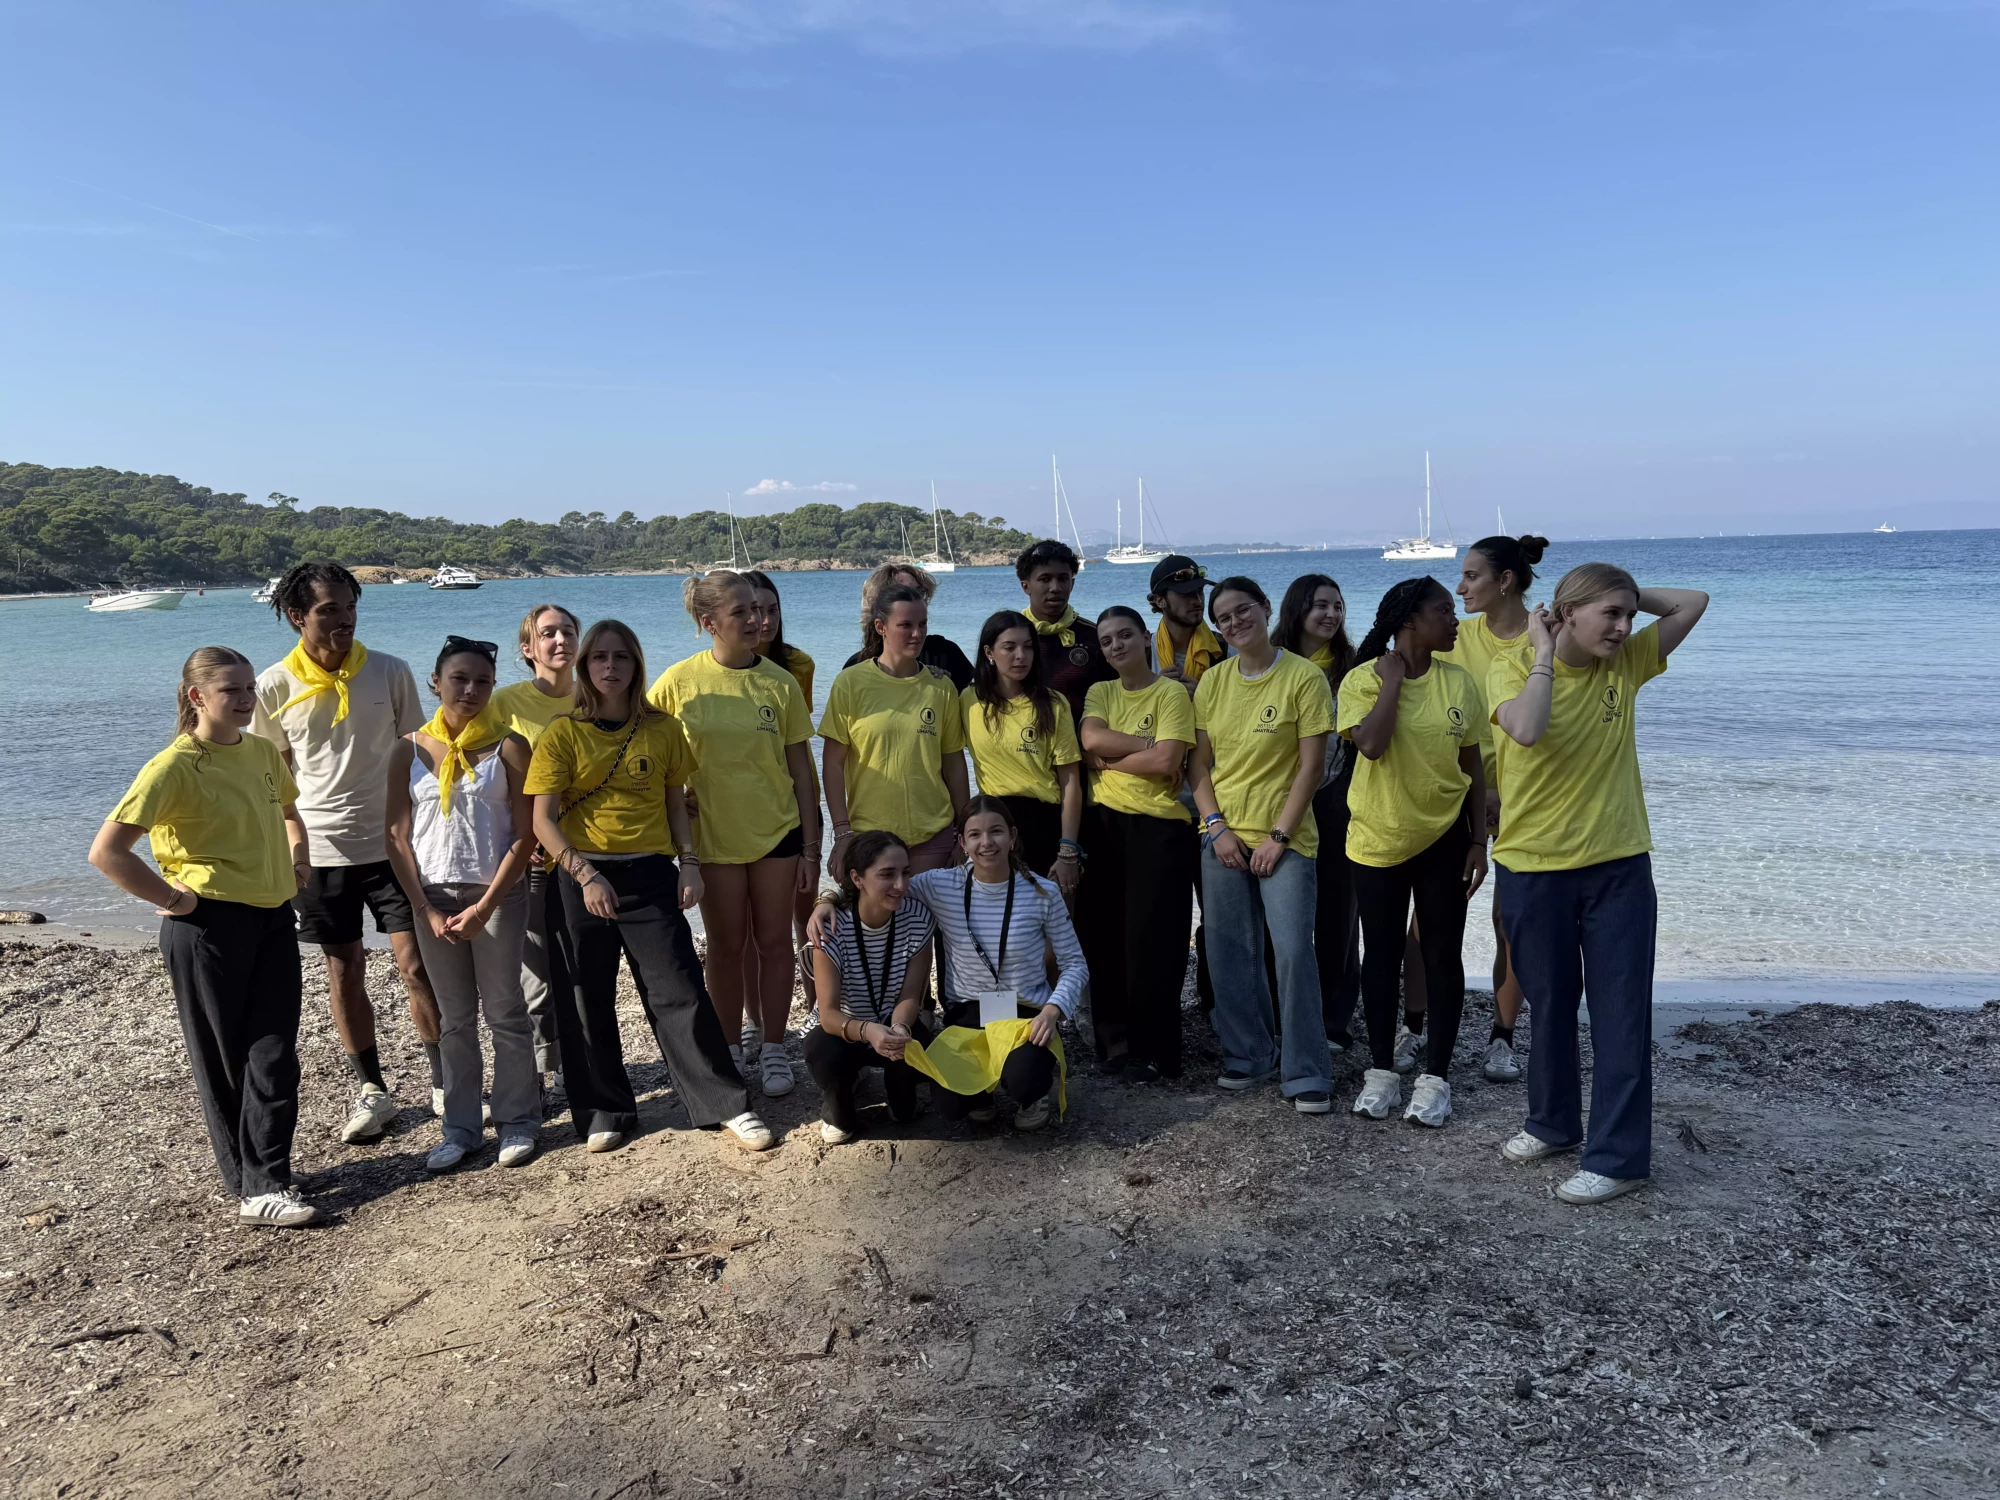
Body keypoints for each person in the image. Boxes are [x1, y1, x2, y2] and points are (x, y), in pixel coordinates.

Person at [1491, 565, 1708, 1205]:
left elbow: (1694, 602)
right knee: (1551, 1004)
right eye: (1609, 614)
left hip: (1618, 867)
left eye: (1629, 615)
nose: (1623, 626)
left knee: (1621, 1012)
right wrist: (1543, 652)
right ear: (1567, 613)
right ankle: (1552, 1125)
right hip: (1532, 865)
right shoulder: (1512, 665)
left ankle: (1617, 1159)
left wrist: (1629, 594)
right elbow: (1526, 729)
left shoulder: (1628, 662)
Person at [524, 618, 774, 1155]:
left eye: (621, 657)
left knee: (679, 988)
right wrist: (585, 874)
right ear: (585, 667)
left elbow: (675, 804)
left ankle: (725, 1103)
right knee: (585, 996)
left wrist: (690, 864)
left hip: (650, 872)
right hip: (580, 878)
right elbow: (542, 821)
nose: (610, 666)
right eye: (599, 657)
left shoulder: (662, 729)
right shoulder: (562, 733)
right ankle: (605, 1111)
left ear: (637, 666)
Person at [90, 648, 319, 1227]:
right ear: (197, 696)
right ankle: (256, 1187)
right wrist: (174, 899)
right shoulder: (173, 766)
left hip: (273, 919)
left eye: (250, 688)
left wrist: (299, 858)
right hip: (207, 927)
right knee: (224, 1059)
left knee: (274, 1054)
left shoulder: (261, 751)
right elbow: (108, 853)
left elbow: (289, 814)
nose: (246, 699)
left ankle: (267, 1176)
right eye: (231, 691)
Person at [251, 562, 441, 1145]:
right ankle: (373, 1090)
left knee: (416, 964)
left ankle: (445, 1081)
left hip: (394, 847)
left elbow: (421, 752)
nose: (344, 620)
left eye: (350, 607)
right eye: (329, 610)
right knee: (343, 970)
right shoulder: (273, 685)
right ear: (296, 616)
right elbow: (269, 778)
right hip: (320, 853)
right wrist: (280, 851)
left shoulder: (389, 670)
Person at [812, 797, 1085, 1130]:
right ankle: (981, 1095)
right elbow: (879, 886)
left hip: (1026, 1016)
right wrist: (827, 899)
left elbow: (1075, 964)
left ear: (1012, 836)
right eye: (975, 834)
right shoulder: (941, 885)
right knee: (949, 1105)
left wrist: (1053, 1010)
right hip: (967, 1015)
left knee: (1025, 1078)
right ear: (962, 842)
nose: (986, 842)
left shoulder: (1043, 893)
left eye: (996, 831)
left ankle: (1032, 1093)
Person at [649, 573, 819, 1099]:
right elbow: (644, 746)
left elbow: (802, 771)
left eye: (758, 609)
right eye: (740, 611)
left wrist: (812, 847)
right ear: (709, 623)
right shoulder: (678, 681)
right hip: (713, 838)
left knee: (774, 943)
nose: (756, 619)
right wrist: (669, 797)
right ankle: (728, 1049)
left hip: (776, 832)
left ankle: (774, 1046)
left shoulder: (780, 682)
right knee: (726, 947)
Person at [384, 637, 542, 1172]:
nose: (470, 690)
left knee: (505, 1011)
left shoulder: (510, 747)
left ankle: (518, 1121)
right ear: (436, 682)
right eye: (459, 679)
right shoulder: (407, 750)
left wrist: (486, 905)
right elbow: (396, 836)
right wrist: (423, 909)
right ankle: (460, 1129)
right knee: (454, 1019)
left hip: (495, 896)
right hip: (432, 898)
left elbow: (525, 835)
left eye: (482, 681)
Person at [1337, 578, 1488, 1128]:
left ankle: (1436, 1079)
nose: (1454, 620)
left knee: (1443, 957)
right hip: (1377, 837)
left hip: (1446, 838)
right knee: (1381, 957)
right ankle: (1381, 1071)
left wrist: (1478, 840)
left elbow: (1472, 767)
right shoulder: (1361, 679)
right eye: (1443, 611)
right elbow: (1372, 745)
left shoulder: (1459, 682)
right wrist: (1392, 683)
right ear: (1409, 620)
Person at [1188, 577, 1336, 1112]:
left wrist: (1278, 836)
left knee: (1293, 951)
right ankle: (1249, 1055)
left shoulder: (1304, 676)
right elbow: (1198, 765)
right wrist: (1216, 827)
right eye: (1223, 618)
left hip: (1287, 839)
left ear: (1266, 608)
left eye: (1243, 609)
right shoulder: (1213, 682)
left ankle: (1307, 1070)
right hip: (1223, 835)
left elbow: (1312, 767)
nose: (1235, 622)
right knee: (1230, 951)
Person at [1442, 535, 1547, 1083]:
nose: (1460, 588)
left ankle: (1502, 1040)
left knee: (1511, 919)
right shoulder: (1455, 637)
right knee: (1434, 915)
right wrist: (1474, 792)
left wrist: (1508, 796)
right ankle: (1416, 1029)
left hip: (1530, 803)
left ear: (1505, 580)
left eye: (1471, 576)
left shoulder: (1546, 638)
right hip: (1461, 796)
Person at [1077, 605, 1197, 1079]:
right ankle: (1116, 1044)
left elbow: (1168, 762)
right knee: (1104, 936)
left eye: (1125, 635)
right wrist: (1147, 745)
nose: (1116, 645)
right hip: (1103, 825)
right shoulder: (1101, 691)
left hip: (1159, 827)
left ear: (1146, 638)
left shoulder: (1170, 692)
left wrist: (1114, 758)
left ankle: (1158, 1051)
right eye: (1107, 641)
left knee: (1156, 940)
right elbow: (1090, 739)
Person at [820, 584, 972, 878]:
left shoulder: (941, 687)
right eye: (906, 625)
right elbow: (833, 764)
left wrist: (964, 831)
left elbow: (954, 763)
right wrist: (842, 832)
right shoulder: (850, 683)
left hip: (934, 834)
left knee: (927, 910)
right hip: (869, 836)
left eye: (922, 624)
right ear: (881, 627)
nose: (917, 634)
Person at [491, 603, 580, 1084]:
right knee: (536, 972)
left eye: (568, 631)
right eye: (548, 633)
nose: (560, 640)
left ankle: (583, 1064)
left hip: (588, 853)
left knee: (580, 965)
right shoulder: (504, 704)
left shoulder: (597, 697)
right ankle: (544, 1071)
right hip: (530, 857)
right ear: (528, 649)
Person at [1271, 574, 1360, 1052]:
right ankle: (1281, 1014)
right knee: (1281, 914)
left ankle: (1333, 1021)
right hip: (1277, 798)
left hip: (1337, 798)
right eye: (1321, 605)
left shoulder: (1352, 666)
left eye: (1338, 606)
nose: (1331, 614)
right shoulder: (1272, 663)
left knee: (1338, 912)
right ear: (1297, 609)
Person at [803, 831, 937, 1144]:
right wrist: (868, 1032)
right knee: (824, 1055)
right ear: (857, 878)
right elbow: (828, 1015)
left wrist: (900, 1027)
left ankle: (896, 1089)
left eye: (905, 873)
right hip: (842, 1029)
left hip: (892, 1021)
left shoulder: (917, 917)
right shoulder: (831, 926)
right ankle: (840, 1094)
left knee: (906, 1110)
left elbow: (911, 995)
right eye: (886, 875)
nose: (900, 885)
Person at [963, 610, 1083, 894]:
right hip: (994, 824)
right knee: (995, 913)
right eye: (1010, 647)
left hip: (1044, 823)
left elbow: (1070, 781)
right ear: (989, 653)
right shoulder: (968, 700)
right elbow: (950, 761)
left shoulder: (1053, 703)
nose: (1021, 656)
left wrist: (1068, 849)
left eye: (1028, 647)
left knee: (1045, 914)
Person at [1015, 540, 1115, 719]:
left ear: (1072, 584)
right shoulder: (1009, 639)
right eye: (1045, 579)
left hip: (1085, 735)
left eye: (1063, 579)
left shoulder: (1095, 637)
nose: (1055, 588)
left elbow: (1121, 694)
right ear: (1026, 586)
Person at [841, 562, 975, 690]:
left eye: (919, 591)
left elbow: (977, 697)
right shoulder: (856, 667)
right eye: (903, 592)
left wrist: (947, 686)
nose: (914, 598)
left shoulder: (944, 653)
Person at [1147, 555, 1226, 689]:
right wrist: (1156, 694)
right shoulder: (1144, 653)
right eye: (1186, 593)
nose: (1198, 601)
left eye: (1199, 591)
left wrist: (1203, 697)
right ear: (1160, 601)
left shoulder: (1224, 649)